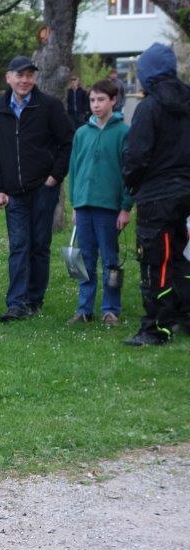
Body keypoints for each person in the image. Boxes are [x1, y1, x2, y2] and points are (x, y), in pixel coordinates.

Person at [0, 55, 73, 322]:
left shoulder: (48, 106)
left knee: (39, 245)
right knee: (19, 245)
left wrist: (55, 177)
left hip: (43, 188)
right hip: (13, 192)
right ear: (8, 78)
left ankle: (35, 299)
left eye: (29, 75)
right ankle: (16, 303)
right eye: (20, 75)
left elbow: (67, 142)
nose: (25, 80)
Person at [122, 43, 190, 346]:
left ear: (147, 73)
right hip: (186, 193)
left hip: (157, 196)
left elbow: (136, 155)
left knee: (154, 261)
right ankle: (184, 315)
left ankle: (155, 328)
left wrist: (131, 182)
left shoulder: (149, 107)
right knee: (181, 256)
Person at [67, 79, 132, 327]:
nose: (95, 105)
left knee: (110, 260)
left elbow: (130, 172)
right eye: (92, 100)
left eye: (101, 100)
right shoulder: (82, 133)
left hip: (109, 207)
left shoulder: (123, 133)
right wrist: (75, 203)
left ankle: (111, 309)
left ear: (113, 101)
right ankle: (84, 308)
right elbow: (74, 170)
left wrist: (125, 207)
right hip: (84, 205)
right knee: (85, 259)